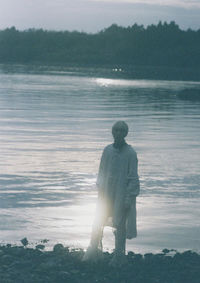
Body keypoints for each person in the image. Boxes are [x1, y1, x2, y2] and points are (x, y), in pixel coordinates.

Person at [83, 121, 140, 266]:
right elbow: (101, 171)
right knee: (98, 221)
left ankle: (119, 256)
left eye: (122, 130)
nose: (119, 133)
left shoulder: (130, 153)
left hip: (121, 194)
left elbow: (133, 177)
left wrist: (128, 198)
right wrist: (101, 190)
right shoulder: (107, 150)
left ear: (126, 133)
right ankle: (93, 251)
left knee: (119, 225)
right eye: (116, 130)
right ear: (112, 132)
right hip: (106, 193)